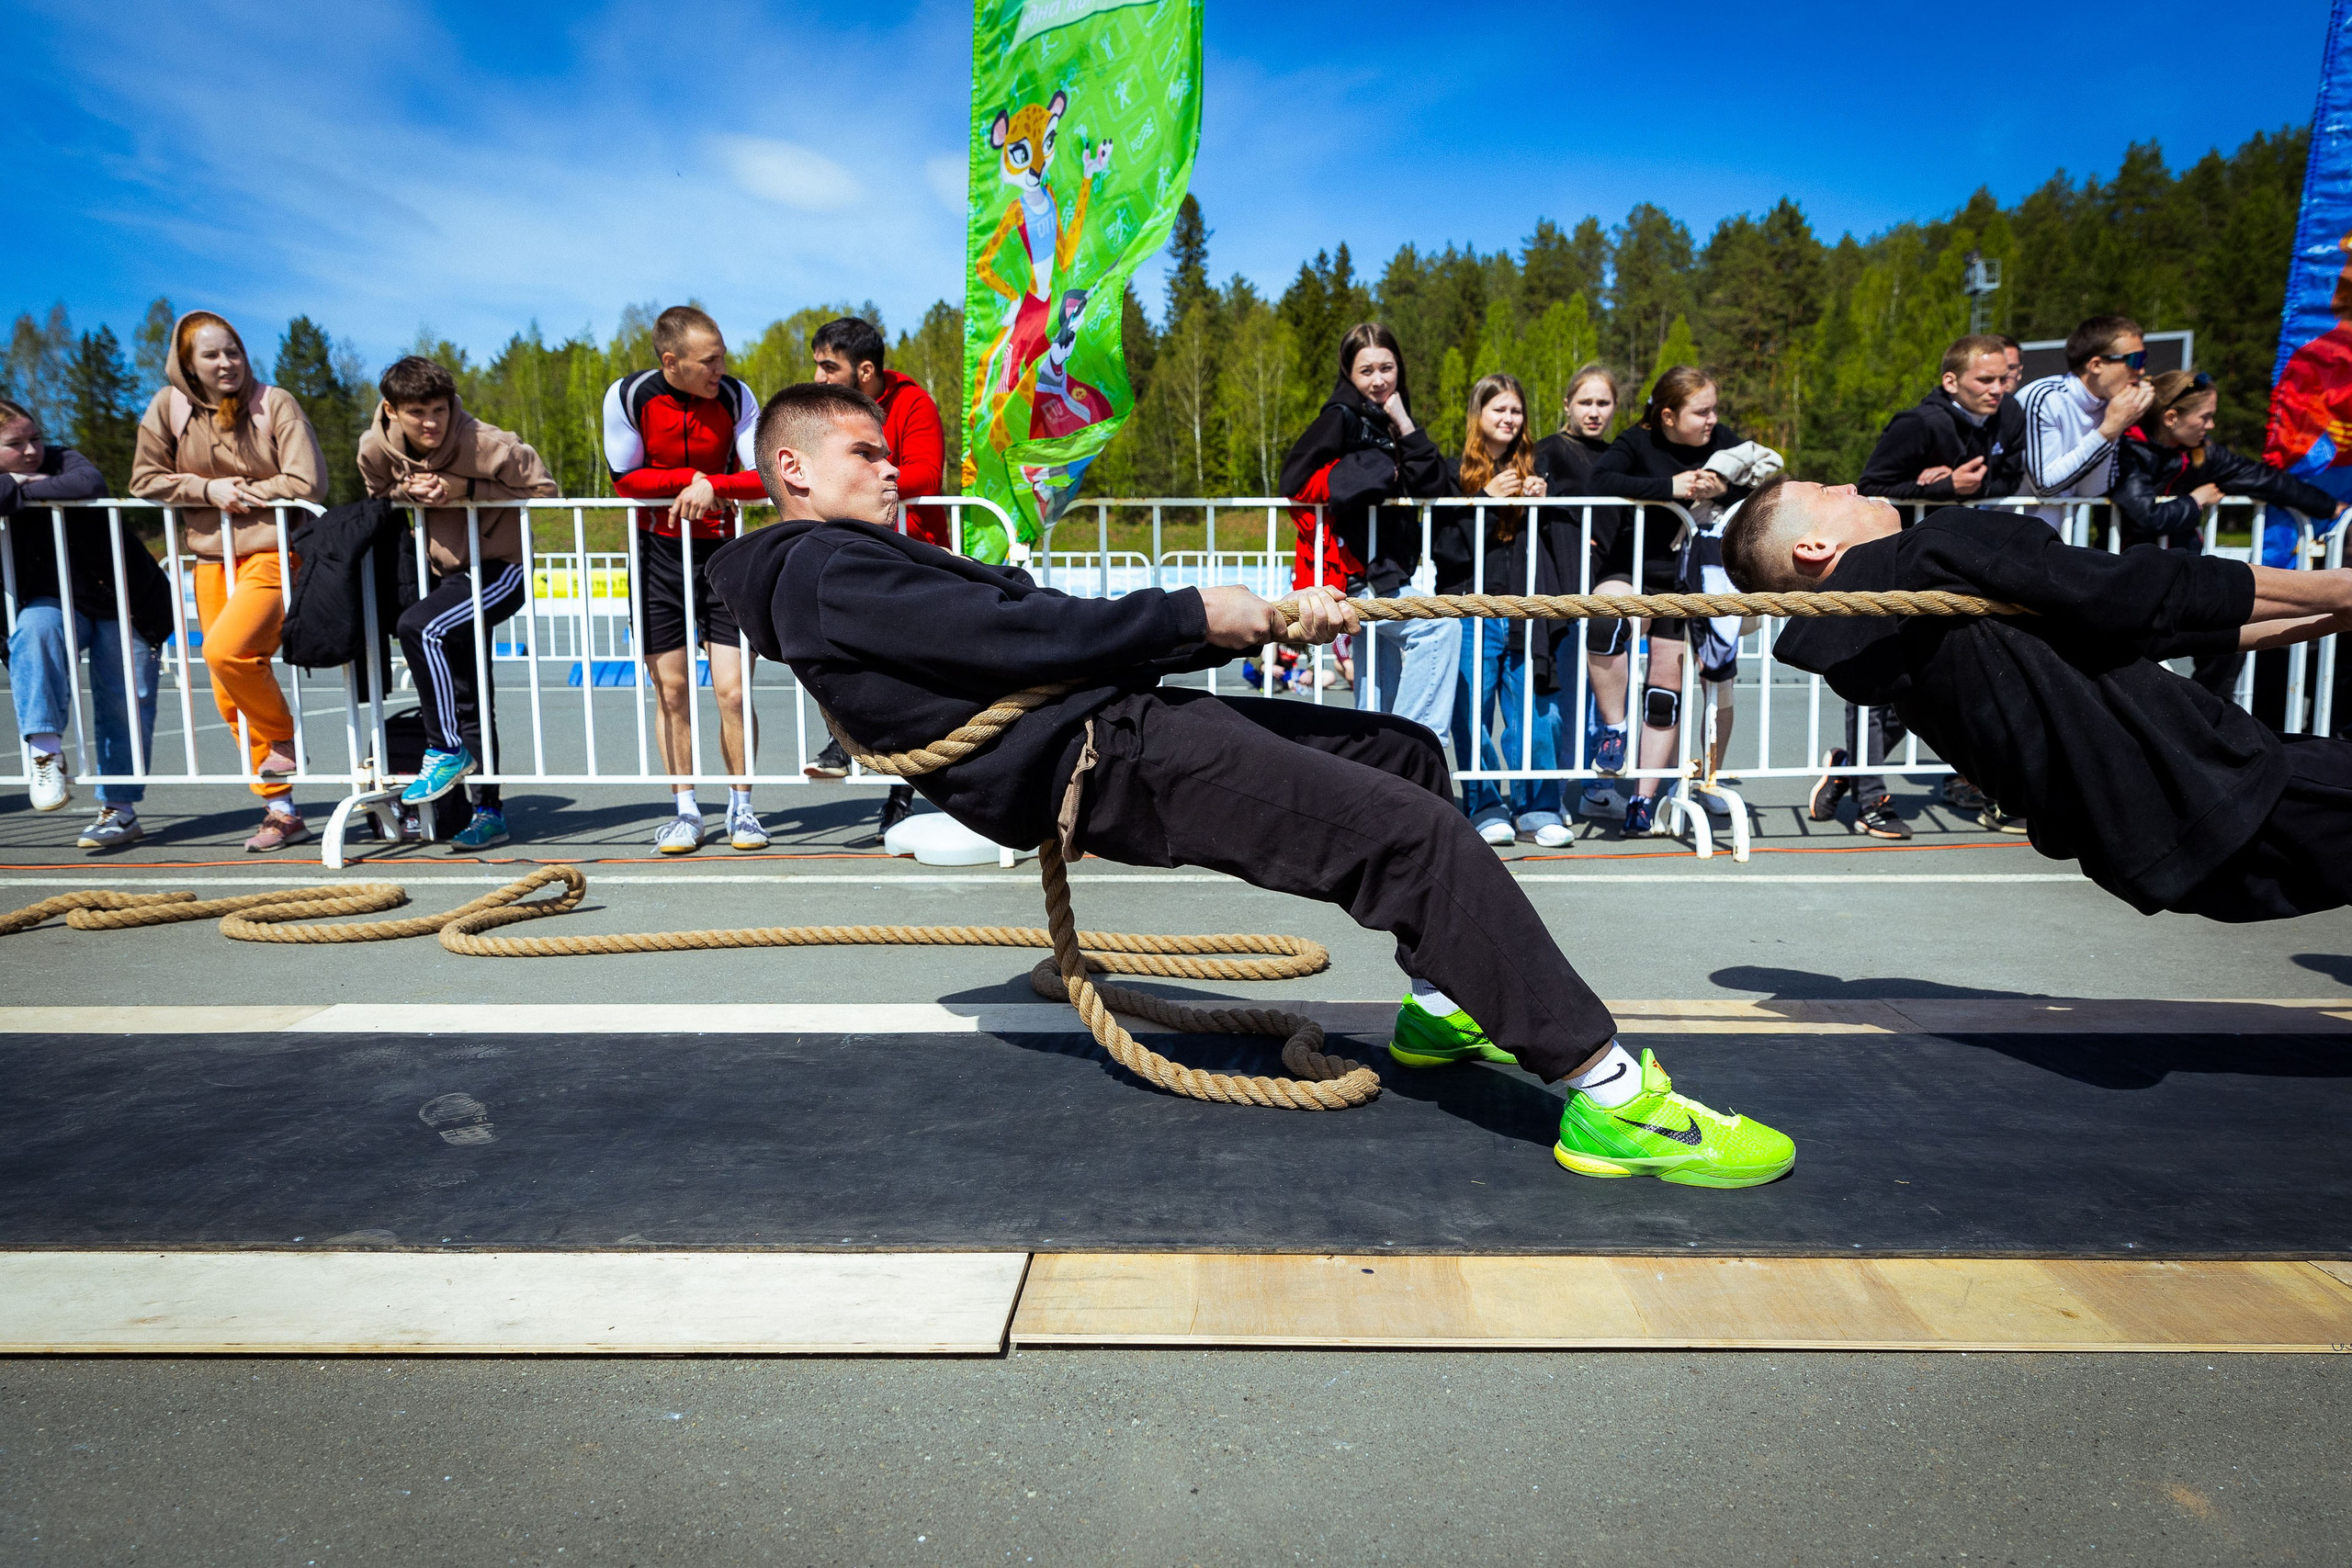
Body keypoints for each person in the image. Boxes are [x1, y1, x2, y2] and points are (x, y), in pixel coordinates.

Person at [707, 381, 1794, 1188]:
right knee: (1413, 838)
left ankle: (1441, 1005)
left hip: (1117, 721)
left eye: (889, 450)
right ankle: (1609, 1098)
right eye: (863, 451)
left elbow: (1017, 633)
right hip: (1108, 758)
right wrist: (1198, 616)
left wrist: (1243, 620)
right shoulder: (824, 567)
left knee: (1397, 753)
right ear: (793, 469)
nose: (892, 465)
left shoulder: (843, 565)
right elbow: (1016, 634)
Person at [1722, 479, 2352, 920]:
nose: (1850, 486)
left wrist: (2328, 614)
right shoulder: (1931, 549)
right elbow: (2136, 589)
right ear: (1812, 548)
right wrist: (2334, 586)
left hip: (2154, 852)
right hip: (2221, 783)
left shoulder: (1867, 652)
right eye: (1829, 494)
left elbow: (2136, 626)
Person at [130, 310, 327, 852]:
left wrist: (242, 492)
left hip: (275, 553)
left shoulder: (274, 402)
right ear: (187, 366)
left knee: (227, 652)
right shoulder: (168, 408)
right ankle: (281, 809)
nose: (226, 364)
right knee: (226, 693)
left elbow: (307, 479)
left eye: (234, 351)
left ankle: (280, 735)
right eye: (212, 356)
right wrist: (205, 490)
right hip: (212, 561)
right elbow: (145, 478)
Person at [358, 356, 560, 851]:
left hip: (500, 569)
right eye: (417, 412)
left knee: (419, 629)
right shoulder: (374, 448)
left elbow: (545, 489)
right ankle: (487, 812)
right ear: (391, 410)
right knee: (468, 695)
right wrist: (407, 488)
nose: (430, 423)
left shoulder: (488, 443)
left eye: (439, 410)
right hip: (444, 577)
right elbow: (377, 490)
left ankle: (445, 748)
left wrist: (463, 489)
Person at [1838, 333, 2031, 836]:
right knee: (1879, 678)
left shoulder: (2008, 418)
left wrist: (1956, 488)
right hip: (1898, 566)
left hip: (1960, 568)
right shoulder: (1918, 423)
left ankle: (1848, 768)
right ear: (1951, 381)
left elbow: (2007, 481)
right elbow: (1871, 487)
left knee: (1931, 677)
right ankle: (1867, 794)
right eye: (1984, 380)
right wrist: (1939, 490)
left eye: (2003, 379)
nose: (1997, 389)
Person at [604, 305, 768, 854]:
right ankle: (685, 811)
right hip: (656, 557)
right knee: (671, 690)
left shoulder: (737, 397)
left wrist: (712, 486)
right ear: (672, 362)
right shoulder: (628, 395)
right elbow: (626, 480)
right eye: (710, 361)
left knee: (733, 690)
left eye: (722, 357)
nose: (722, 368)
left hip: (722, 554)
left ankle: (742, 808)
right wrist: (691, 479)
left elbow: (761, 477)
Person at [1591, 367, 1779, 835]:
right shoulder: (1637, 441)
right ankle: (1614, 731)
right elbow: (1599, 479)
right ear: (1669, 415)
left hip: (1688, 581)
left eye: (1715, 408)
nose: (1713, 419)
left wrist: (1725, 488)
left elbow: (1763, 489)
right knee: (1604, 621)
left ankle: (1644, 799)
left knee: (1665, 692)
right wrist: (1668, 489)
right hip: (1630, 569)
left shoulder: (1723, 441)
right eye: (1703, 411)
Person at [2113, 368, 2348, 705]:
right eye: (2205, 417)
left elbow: (2263, 479)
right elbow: (2146, 515)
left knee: (2226, 641)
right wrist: (2194, 502)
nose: (2211, 426)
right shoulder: (2127, 451)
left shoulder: (2202, 453)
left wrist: (2328, 507)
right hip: (2132, 584)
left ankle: (2207, 720)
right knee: (2130, 670)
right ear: (2170, 417)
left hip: (2183, 580)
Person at [803, 315, 950, 844]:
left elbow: (925, 475)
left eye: (828, 366)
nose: (818, 376)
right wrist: (715, 484)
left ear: (865, 370)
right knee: (835, 644)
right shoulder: (828, 415)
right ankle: (846, 745)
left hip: (914, 553)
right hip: (858, 552)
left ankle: (904, 791)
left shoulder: (914, 403)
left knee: (915, 680)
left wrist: (849, 486)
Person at [3, 399, 172, 848]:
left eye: (34, 438)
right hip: (55, 601)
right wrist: (17, 486)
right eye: (14, 445)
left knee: (125, 702)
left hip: (127, 599)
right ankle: (44, 756)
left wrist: (17, 492)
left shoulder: (64, 460)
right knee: (35, 633)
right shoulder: (28, 474)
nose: (31, 451)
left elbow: (88, 481)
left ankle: (120, 809)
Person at [1279, 323, 1452, 728]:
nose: (1379, 380)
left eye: (1387, 368)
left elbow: (1432, 484)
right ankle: (1414, 747)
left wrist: (1404, 423)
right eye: (1366, 371)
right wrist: (1376, 469)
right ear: (1349, 374)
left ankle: (1381, 769)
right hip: (1355, 569)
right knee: (1439, 628)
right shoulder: (1341, 416)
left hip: (1387, 566)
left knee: (1374, 699)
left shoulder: (1390, 418)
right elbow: (1295, 480)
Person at [1438, 373, 1566, 847]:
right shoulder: (1455, 473)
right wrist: (1482, 502)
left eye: (1516, 411)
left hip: (1526, 607)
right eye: (1500, 410)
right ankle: (1485, 804)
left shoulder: (1538, 470)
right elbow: (1445, 549)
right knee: (1472, 714)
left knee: (1532, 712)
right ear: (1479, 415)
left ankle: (1539, 806)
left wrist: (1544, 504)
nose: (1509, 419)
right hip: (1472, 607)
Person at [1534, 365, 1631, 821]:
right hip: (1564, 585)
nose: (1594, 412)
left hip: (1613, 584)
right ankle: (1557, 789)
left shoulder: (1619, 457)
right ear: (1567, 405)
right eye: (1585, 402)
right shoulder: (1548, 450)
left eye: (1603, 403)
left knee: (1607, 692)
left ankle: (1599, 783)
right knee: (1566, 692)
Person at [2018, 314, 2154, 532]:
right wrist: (2109, 430)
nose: (2141, 371)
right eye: (2134, 360)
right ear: (2096, 365)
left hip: (2061, 542)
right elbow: (2045, 485)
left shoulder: (2111, 407)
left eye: (2143, 359)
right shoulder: (2045, 397)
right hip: (2014, 538)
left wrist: (2117, 425)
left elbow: (2092, 490)